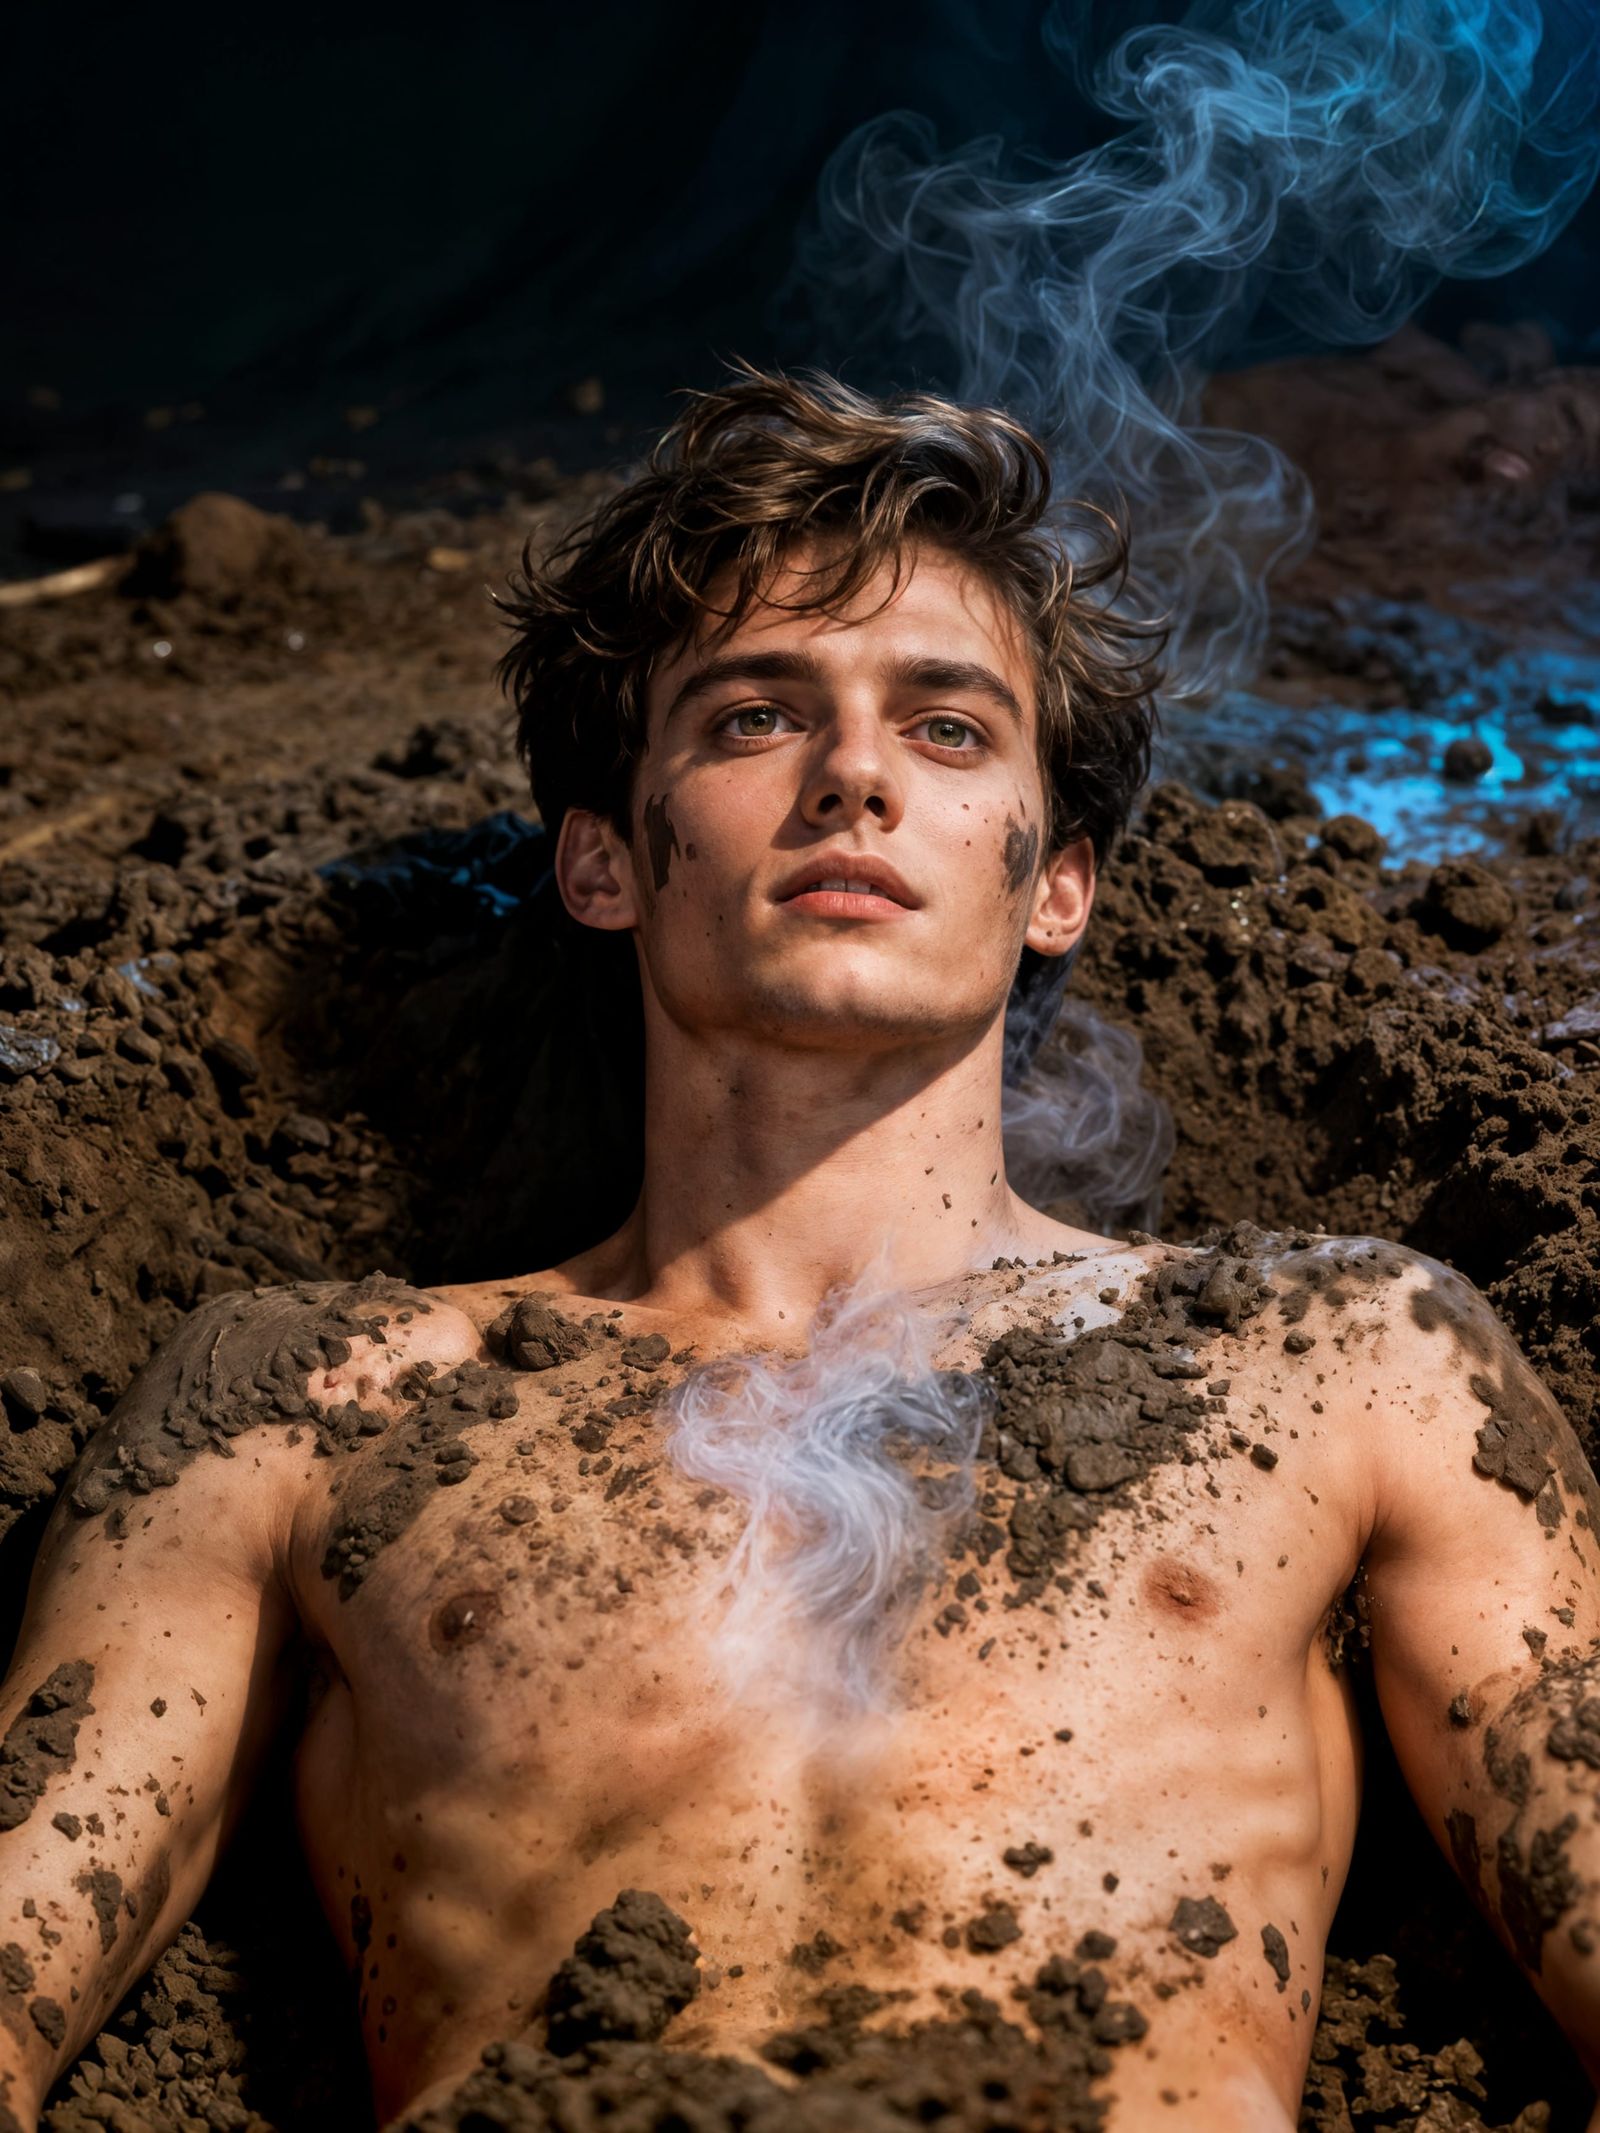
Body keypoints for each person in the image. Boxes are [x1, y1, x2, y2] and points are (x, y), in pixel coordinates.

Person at [0, 368, 1596, 2133]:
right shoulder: (309, 1411)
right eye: (758, 716)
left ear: (1057, 880)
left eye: (949, 727)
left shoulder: (1339, 1365)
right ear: (605, 859)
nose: (854, 772)